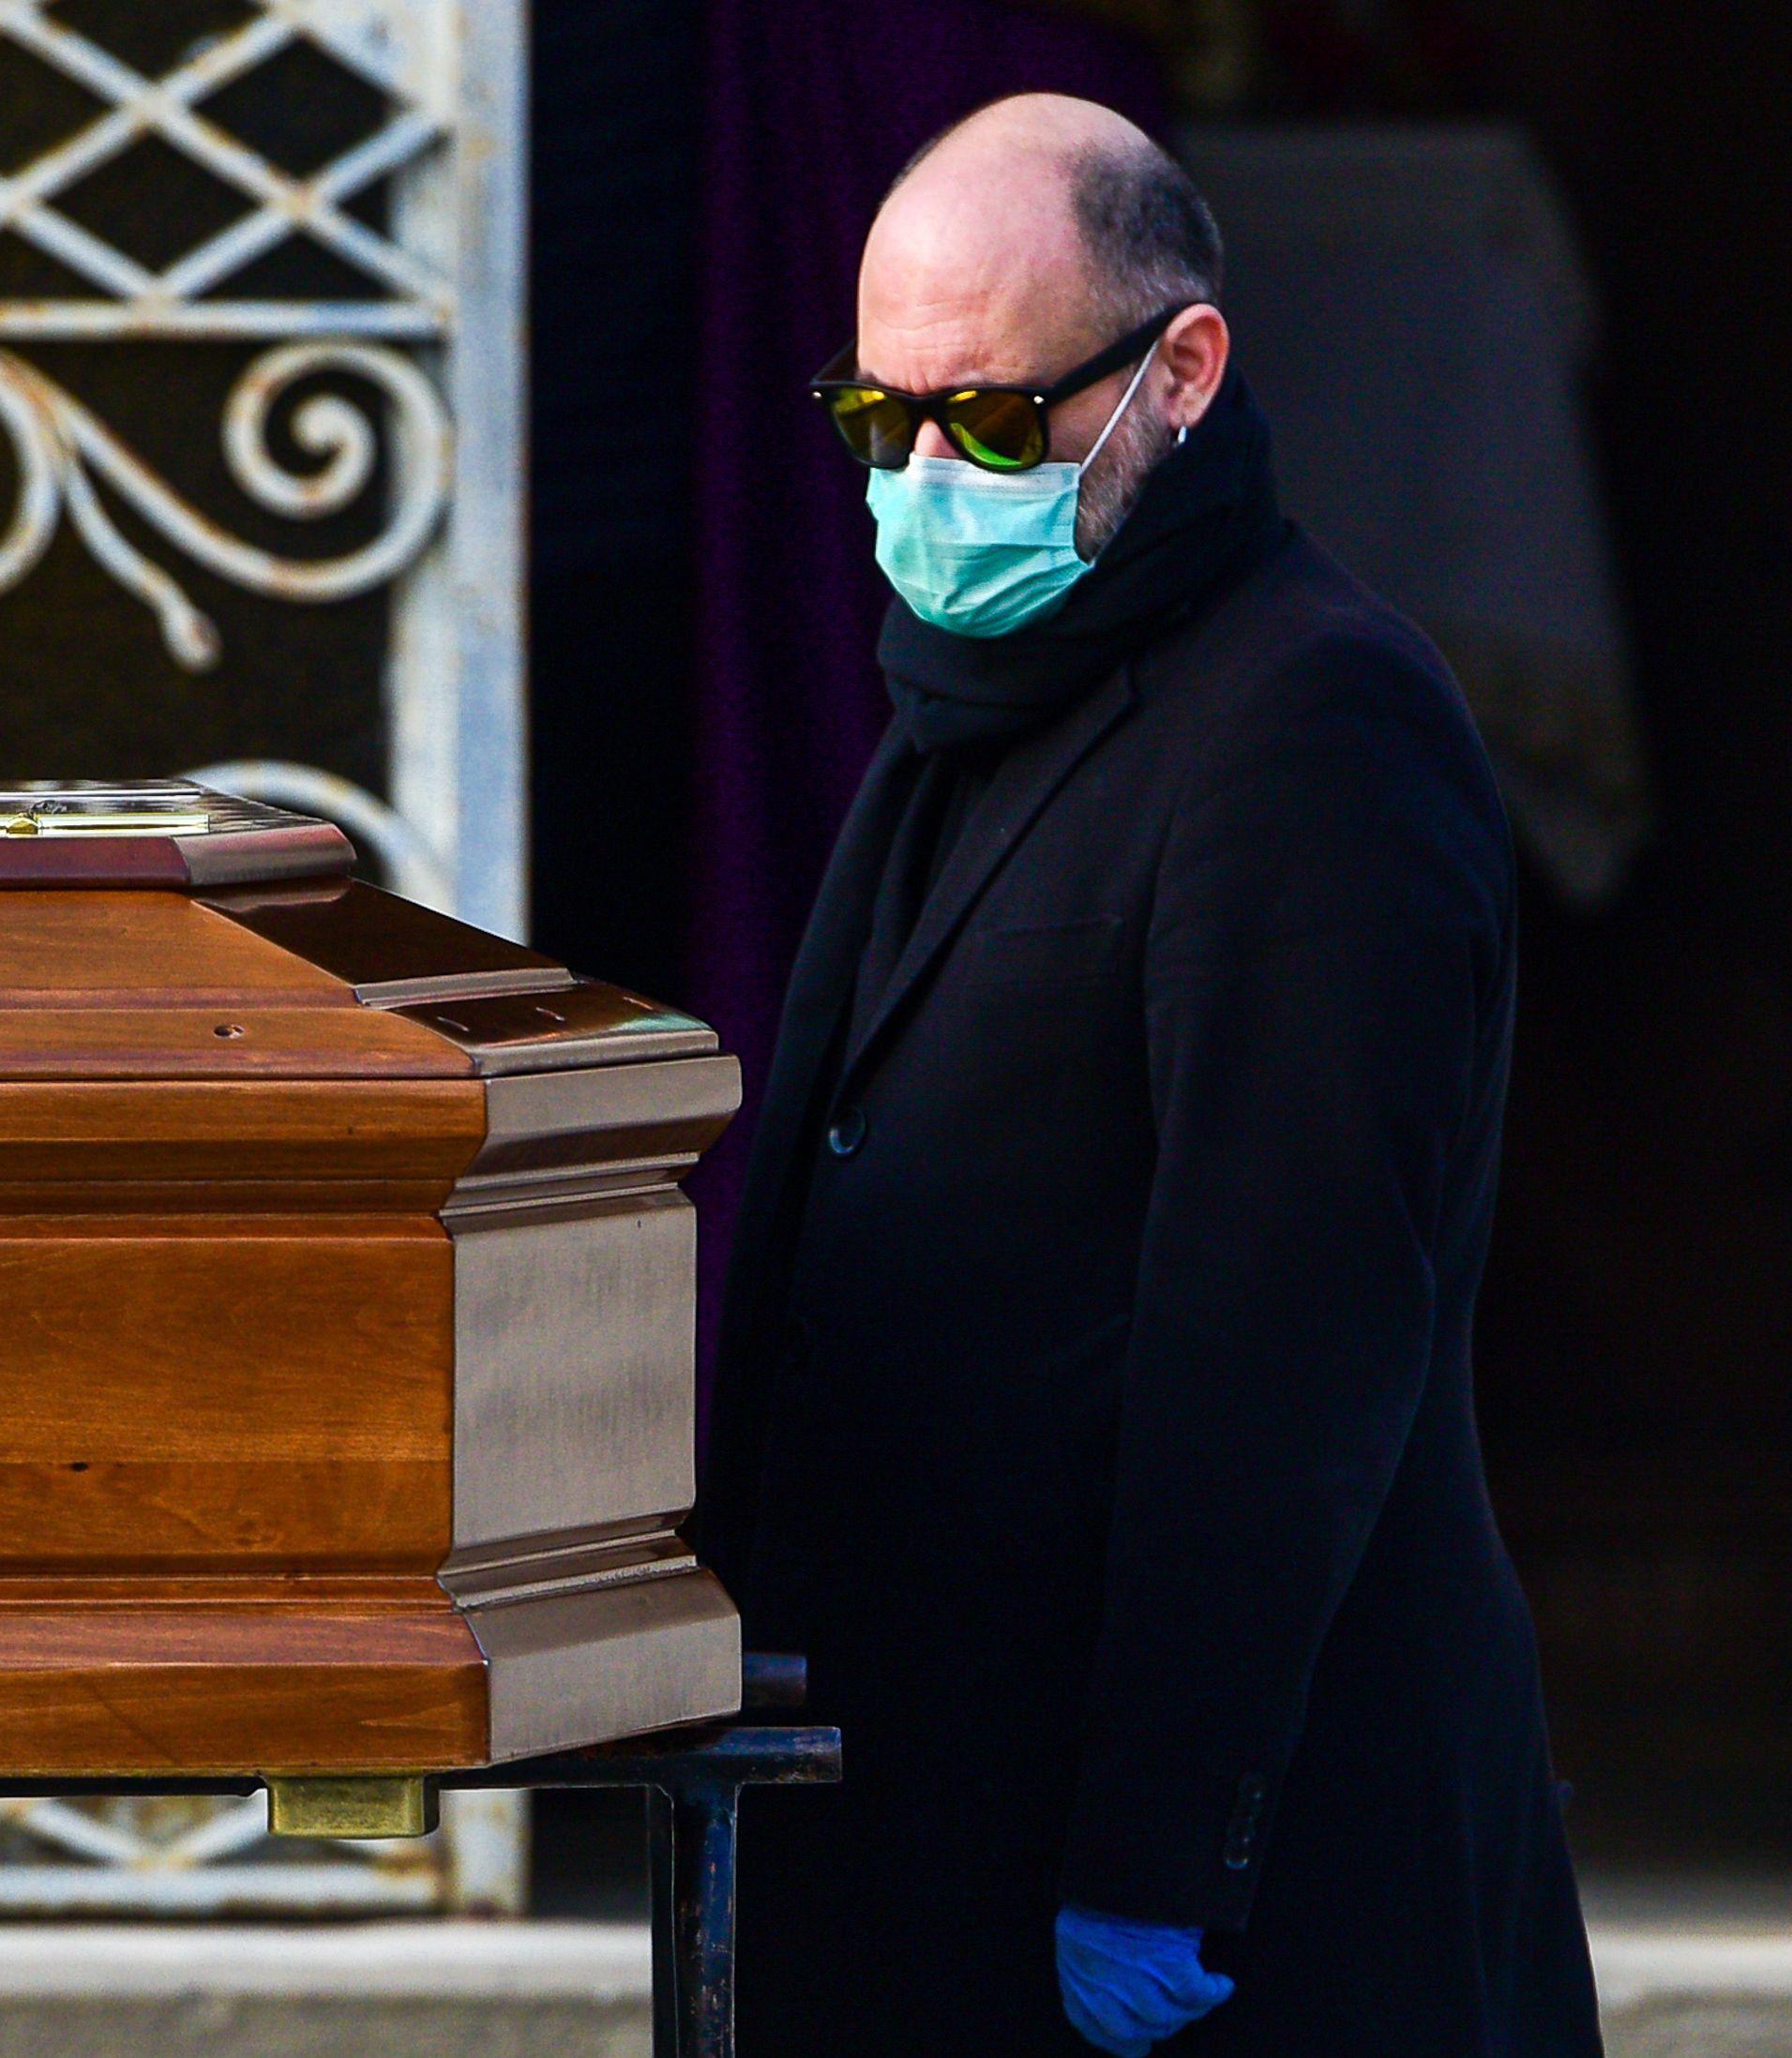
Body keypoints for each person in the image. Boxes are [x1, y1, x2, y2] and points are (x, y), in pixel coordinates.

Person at [698, 94, 1604, 2055]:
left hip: (1221, 1897)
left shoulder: (1308, 723)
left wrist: (1162, 1855)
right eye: (882, 422)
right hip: (928, 1823)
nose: (933, 474)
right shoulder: (978, 691)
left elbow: (1280, 1349)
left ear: (1178, 370)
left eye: (997, 423)